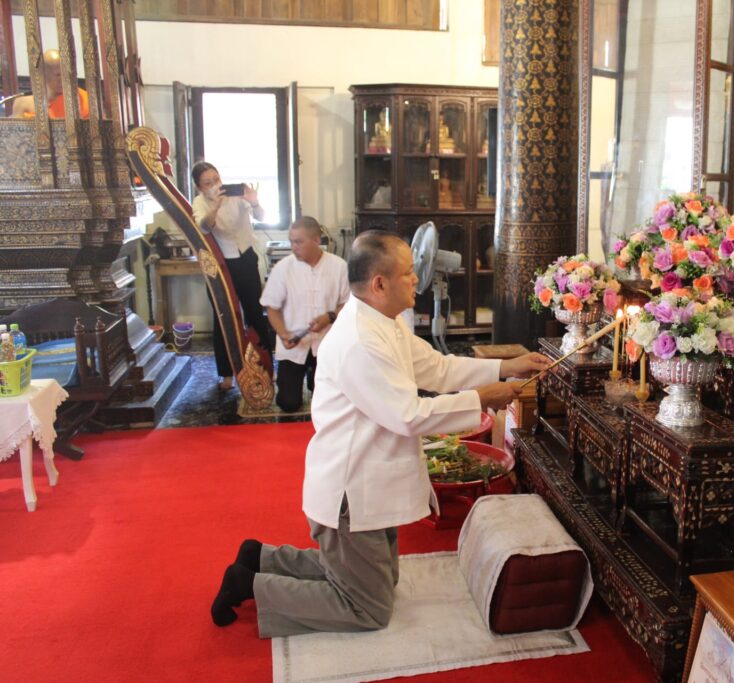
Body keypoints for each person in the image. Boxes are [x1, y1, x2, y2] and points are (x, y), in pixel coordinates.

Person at [209, 230, 551, 636]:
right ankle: (250, 584)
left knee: (379, 582)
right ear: (379, 284)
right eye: (408, 272)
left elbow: (437, 368)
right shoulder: (359, 340)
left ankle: (261, 557)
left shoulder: (382, 321)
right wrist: (480, 399)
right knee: (367, 609)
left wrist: (506, 367)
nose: (416, 278)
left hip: (370, 481)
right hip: (350, 494)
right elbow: (409, 416)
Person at [192, 161, 275, 390]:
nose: (214, 185)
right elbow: (204, 226)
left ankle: (267, 367)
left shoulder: (237, 193)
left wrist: (254, 201)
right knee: (223, 317)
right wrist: (215, 205)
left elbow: (261, 216)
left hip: (246, 258)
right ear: (199, 187)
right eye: (207, 183)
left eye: (216, 179)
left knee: (255, 312)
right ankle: (226, 375)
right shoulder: (199, 202)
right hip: (220, 265)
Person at [260, 216, 349, 412]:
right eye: (291, 241)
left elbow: (347, 304)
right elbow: (271, 307)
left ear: (316, 240)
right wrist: (283, 333)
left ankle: (314, 380)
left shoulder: (339, 266)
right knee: (288, 404)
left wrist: (330, 317)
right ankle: (305, 379)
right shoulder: (283, 268)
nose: (293, 247)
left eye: (299, 242)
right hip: (294, 344)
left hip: (327, 343)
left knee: (328, 403)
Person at [11, 49, 89, 119]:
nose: (64, 79)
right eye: (58, 75)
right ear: (44, 75)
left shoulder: (82, 99)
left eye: (66, 74)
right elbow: (15, 130)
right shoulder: (22, 103)